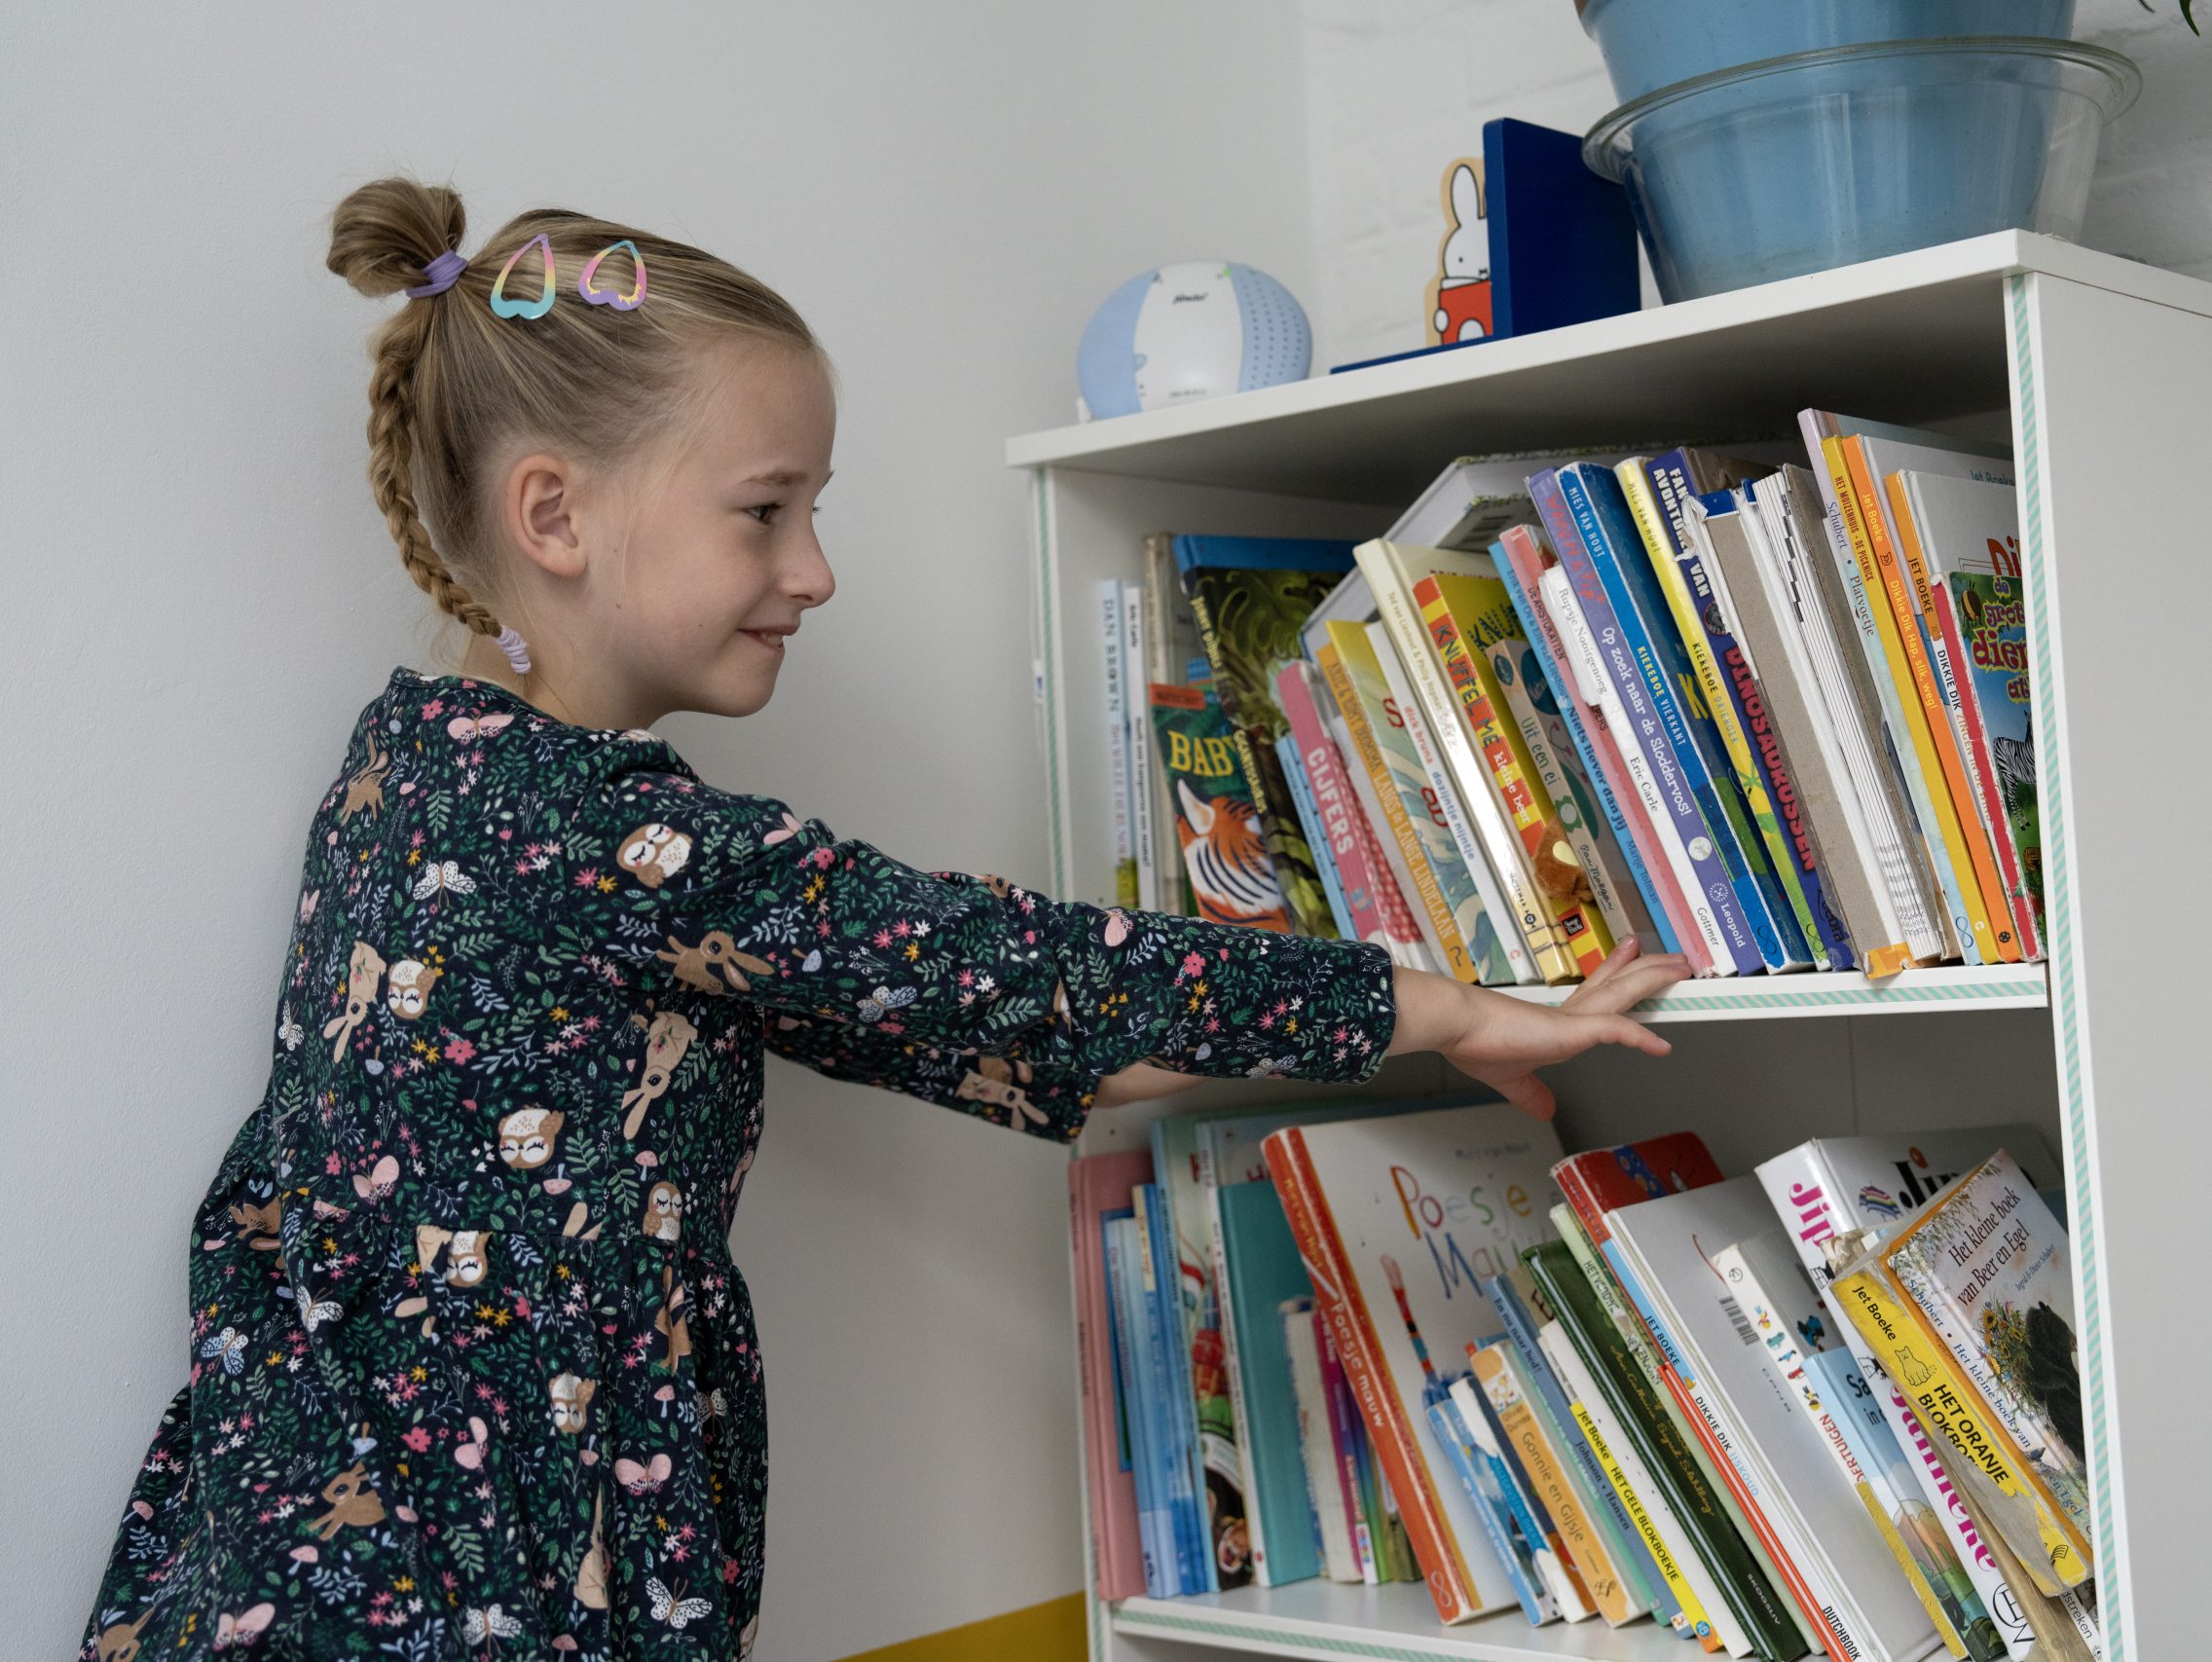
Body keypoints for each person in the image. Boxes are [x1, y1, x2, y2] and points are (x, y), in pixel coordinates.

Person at [78, 177, 1691, 1662]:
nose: (818, 570)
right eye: (766, 512)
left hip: (270, 1561)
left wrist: (1352, 1042)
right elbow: (1018, 978)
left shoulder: (412, 776)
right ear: (555, 517)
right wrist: (1444, 1005)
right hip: (478, 1593)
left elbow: (973, 1032)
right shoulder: (605, 834)